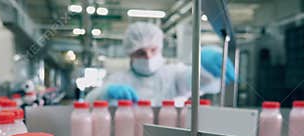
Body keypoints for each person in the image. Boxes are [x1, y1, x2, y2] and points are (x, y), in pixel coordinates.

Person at [85, 22, 234, 105]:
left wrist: (205, 68)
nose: (148, 57)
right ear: (130, 54)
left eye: (153, 50)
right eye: (141, 53)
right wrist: (106, 93)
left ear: (160, 48)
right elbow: (89, 102)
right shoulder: (118, 80)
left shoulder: (174, 74)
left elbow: (198, 81)